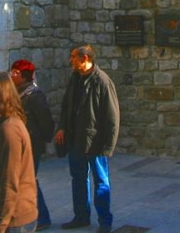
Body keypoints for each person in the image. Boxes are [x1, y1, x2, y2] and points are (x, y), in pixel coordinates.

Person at [55, 45, 119, 233]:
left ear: (84, 58)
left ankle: (104, 221)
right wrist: (62, 128)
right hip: (75, 139)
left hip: (95, 142)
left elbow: (112, 116)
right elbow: (67, 106)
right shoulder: (75, 79)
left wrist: (108, 146)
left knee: (101, 181)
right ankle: (81, 216)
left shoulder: (102, 82)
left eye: (73, 57)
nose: (70, 61)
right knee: (78, 178)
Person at [0, 71, 37, 233]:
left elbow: (10, 183)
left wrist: (0, 226)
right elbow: (0, 173)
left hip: (15, 221)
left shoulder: (10, 130)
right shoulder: (3, 125)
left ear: (1, 94)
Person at [11, 60, 54, 230]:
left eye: (15, 72)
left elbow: (46, 121)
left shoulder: (34, 95)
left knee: (30, 181)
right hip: (21, 144)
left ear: (24, 76)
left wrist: (43, 140)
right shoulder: (17, 93)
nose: (12, 75)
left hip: (32, 145)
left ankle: (42, 217)